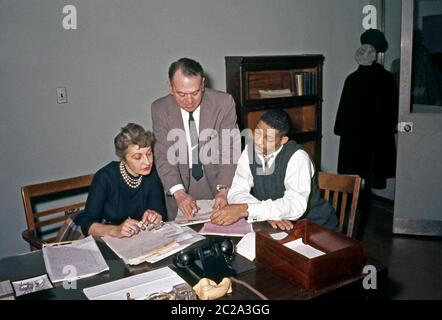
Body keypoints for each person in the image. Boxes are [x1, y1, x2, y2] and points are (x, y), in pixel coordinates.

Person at [210, 109, 337, 231]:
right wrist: (266, 214)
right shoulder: (249, 151)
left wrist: (247, 209)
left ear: (283, 140)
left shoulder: (297, 157)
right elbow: (236, 192)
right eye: (257, 132)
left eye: (269, 139)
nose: (259, 141)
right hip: (277, 229)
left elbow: (295, 205)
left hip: (317, 228)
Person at [151, 57, 240, 221]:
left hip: (217, 181)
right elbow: (163, 155)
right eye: (181, 94)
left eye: (195, 92)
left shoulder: (224, 103)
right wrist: (178, 192)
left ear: (203, 84)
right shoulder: (159, 109)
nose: (189, 101)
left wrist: (224, 189)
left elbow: (229, 149)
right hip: (179, 183)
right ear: (170, 87)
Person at [74, 123, 165, 238]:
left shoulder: (151, 174)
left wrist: (154, 216)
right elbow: (86, 223)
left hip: (136, 236)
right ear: (123, 159)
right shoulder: (105, 177)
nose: (147, 162)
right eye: (138, 157)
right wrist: (116, 230)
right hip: (104, 233)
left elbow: (159, 210)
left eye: (149, 153)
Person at [334, 30, 399, 191]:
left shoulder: (353, 79)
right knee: (372, 177)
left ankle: (359, 211)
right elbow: (392, 113)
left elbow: (343, 113)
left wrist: (341, 129)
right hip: (377, 141)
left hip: (357, 141)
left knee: (359, 180)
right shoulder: (386, 79)